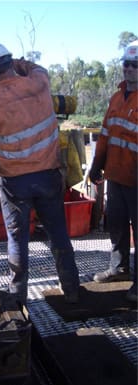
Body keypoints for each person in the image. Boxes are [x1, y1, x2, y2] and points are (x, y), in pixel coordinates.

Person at [0, 42, 80, 305]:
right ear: (11, 63)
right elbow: (37, 68)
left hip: (15, 183)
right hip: (48, 176)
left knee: (18, 240)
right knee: (58, 235)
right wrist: (21, 64)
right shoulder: (39, 82)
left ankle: (17, 297)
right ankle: (72, 290)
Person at [89, 40, 138, 303]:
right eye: (126, 64)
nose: (128, 69)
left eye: (135, 65)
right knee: (117, 224)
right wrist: (97, 165)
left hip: (136, 178)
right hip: (116, 176)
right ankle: (119, 269)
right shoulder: (117, 98)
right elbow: (106, 135)